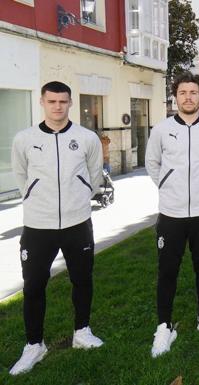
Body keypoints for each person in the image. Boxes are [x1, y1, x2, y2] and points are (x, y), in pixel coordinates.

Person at [10, 81, 104, 375]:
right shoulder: (24, 139)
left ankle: (82, 332)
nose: (57, 107)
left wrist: (78, 199)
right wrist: (38, 197)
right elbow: (21, 176)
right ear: (42, 102)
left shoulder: (86, 138)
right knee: (34, 285)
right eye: (52, 102)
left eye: (63, 102)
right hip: (38, 226)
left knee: (82, 279)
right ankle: (34, 345)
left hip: (78, 223)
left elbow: (94, 176)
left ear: (70, 103)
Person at [145, 72, 199, 357]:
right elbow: (152, 164)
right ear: (175, 96)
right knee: (167, 271)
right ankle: (163, 327)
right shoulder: (161, 129)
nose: (188, 97)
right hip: (171, 214)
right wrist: (170, 187)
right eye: (183, 92)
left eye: (193, 92)